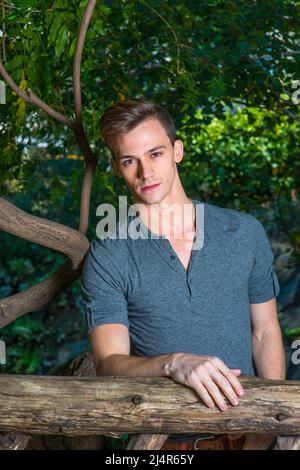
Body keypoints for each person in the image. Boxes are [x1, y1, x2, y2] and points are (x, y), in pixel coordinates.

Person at [81, 99, 286, 450]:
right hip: (159, 443)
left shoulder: (243, 232)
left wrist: (272, 425)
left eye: (155, 154)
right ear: (116, 167)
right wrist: (173, 363)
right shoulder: (108, 254)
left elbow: (265, 331)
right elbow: (110, 364)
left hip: (245, 434)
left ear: (177, 151)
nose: (145, 172)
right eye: (130, 161)